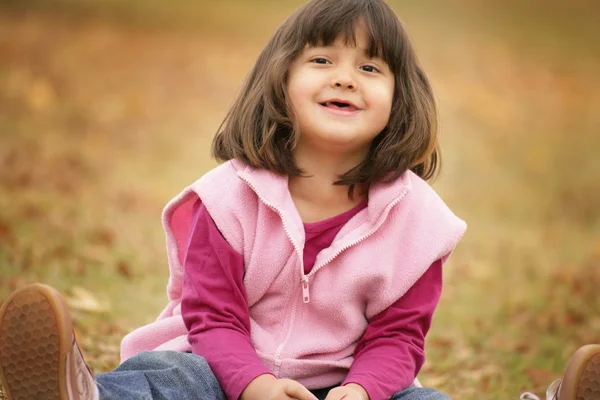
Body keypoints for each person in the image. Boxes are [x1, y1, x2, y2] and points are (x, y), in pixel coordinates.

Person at [0, 0, 593, 399]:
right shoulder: (228, 199)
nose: (345, 77)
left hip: (341, 387)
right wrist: (252, 383)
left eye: (370, 66)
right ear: (280, 81)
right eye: (321, 60)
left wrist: (360, 393)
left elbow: (398, 338)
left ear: (400, 98)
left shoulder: (418, 224)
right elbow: (213, 318)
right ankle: (85, 394)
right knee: (169, 375)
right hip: (221, 373)